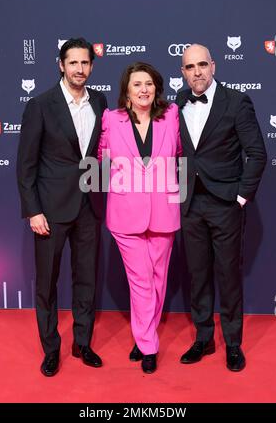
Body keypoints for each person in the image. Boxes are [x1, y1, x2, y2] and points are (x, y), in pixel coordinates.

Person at [17, 37, 108, 376]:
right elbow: (26, 164)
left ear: (91, 66)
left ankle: (82, 343)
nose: (79, 69)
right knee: (47, 283)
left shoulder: (100, 101)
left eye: (85, 63)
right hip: (50, 210)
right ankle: (51, 348)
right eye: (73, 63)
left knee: (87, 279)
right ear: (61, 65)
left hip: (89, 205)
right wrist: (33, 210)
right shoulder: (40, 105)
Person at [176, 44, 267, 371]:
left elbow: (256, 153)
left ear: (213, 66)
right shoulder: (177, 105)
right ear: (183, 72)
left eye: (202, 64)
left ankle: (232, 343)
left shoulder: (236, 102)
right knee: (198, 276)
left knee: (228, 275)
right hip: (190, 205)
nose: (197, 72)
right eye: (190, 67)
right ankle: (203, 338)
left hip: (226, 204)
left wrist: (240, 197)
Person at [98, 62, 182, 374]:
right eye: (137, 84)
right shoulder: (112, 119)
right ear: (127, 91)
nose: (143, 89)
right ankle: (149, 345)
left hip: (164, 211)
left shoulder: (171, 115)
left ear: (156, 88)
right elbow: (99, 157)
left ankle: (142, 334)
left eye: (148, 83)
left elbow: (184, 150)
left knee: (157, 281)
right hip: (125, 215)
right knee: (141, 280)